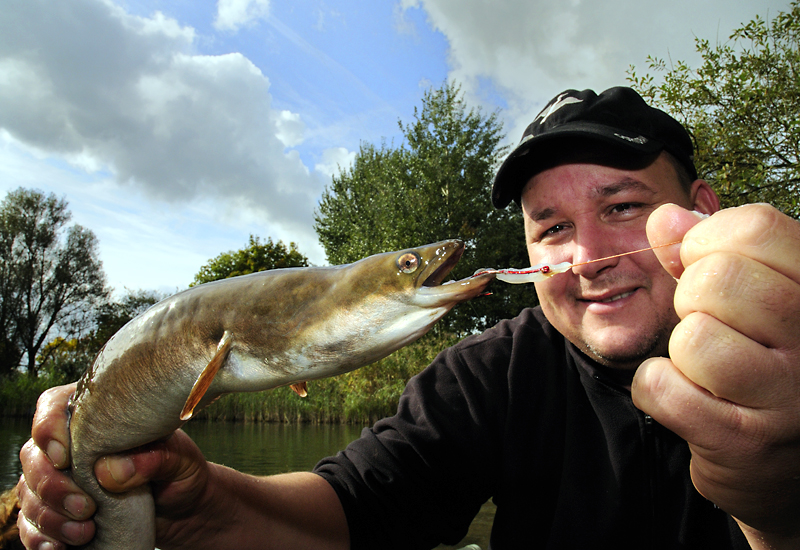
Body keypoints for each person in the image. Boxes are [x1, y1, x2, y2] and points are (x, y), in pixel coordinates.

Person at [15, 87, 800, 550]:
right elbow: (349, 517)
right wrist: (198, 502)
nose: (586, 254)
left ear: (703, 212)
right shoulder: (488, 375)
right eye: (552, 228)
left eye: (622, 206)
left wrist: (779, 509)